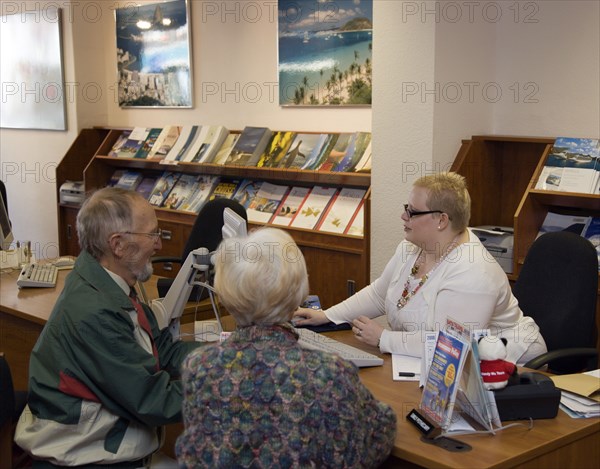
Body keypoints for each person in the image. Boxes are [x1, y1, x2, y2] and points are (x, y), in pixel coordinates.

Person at [176, 227, 396, 468]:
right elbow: (375, 440)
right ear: (298, 292)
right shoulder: (330, 374)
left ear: (226, 295)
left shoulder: (199, 367)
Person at [15, 187, 201, 468]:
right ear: (118, 245)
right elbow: (153, 401)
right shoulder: (95, 311)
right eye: (152, 234)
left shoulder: (108, 281)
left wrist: (227, 355)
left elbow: (162, 349)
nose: (158, 245)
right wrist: (225, 382)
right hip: (87, 458)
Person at [294, 172, 547, 365]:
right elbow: (380, 295)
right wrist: (327, 316)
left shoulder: (474, 271)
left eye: (412, 212)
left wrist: (384, 338)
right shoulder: (412, 248)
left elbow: (449, 343)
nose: (404, 217)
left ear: (441, 220)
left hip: (510, 365)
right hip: (431, 360)